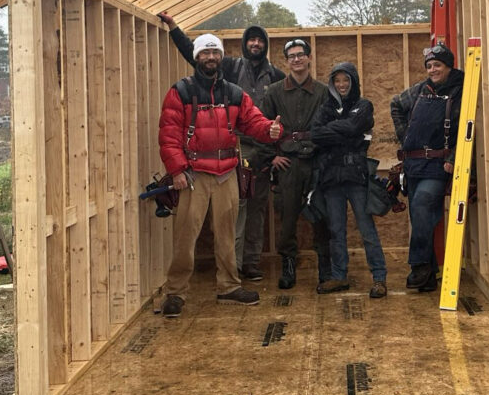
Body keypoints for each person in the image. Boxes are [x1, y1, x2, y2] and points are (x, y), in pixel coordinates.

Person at [155, 34, 282, 318]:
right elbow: (169, 135)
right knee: (185, 237)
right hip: (192, 175)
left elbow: (253, 120)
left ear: (221, 57)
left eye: (215, 53)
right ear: (197, 57)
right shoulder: (181, 92)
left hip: (227, 173)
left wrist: (269, 130)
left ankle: (228, 286)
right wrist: (176, 170)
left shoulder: (234, 93)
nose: (211, 58)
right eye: (205, 53)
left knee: (226, 234)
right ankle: (175, 292)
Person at [390, 42, 465, 292]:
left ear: (448, 66)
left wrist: (454, 157)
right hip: (413, 165)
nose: (433, 70)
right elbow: (395, 105)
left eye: (438, 65)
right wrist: (405, 135)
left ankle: (419, 265)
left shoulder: (460, 91)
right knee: (420, 218)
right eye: (430, 66)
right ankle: (428, 279)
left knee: (422, 203)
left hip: (438, 165)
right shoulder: (420, 91)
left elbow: (469, 127)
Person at [311, 62, 388, 299]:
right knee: (336, 230)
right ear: (332, 84)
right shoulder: (325, 108)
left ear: (353, 82)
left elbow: (356, 125)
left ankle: (379, 278)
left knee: (367, 229)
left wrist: (332, 131)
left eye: (346, 80)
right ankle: (339, 276)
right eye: (337, 81)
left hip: (356, 177)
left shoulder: (364, 105)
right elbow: (315, 133)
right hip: (332, 179)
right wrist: (345, 131)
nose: (342, 85)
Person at [258, 38, 330, 289]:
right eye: (292, 56)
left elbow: (331, 128)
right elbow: (262, 128)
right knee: (287, 216)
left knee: (321, 214)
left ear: (309, 58)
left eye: (301, 55)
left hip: (315, 162)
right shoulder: (274, 92)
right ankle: (288, 265)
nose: (297, 59)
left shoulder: (323, 92)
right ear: (286, 61)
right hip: (287, 164)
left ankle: (325, 265)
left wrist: (324, 159)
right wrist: (271, 157)